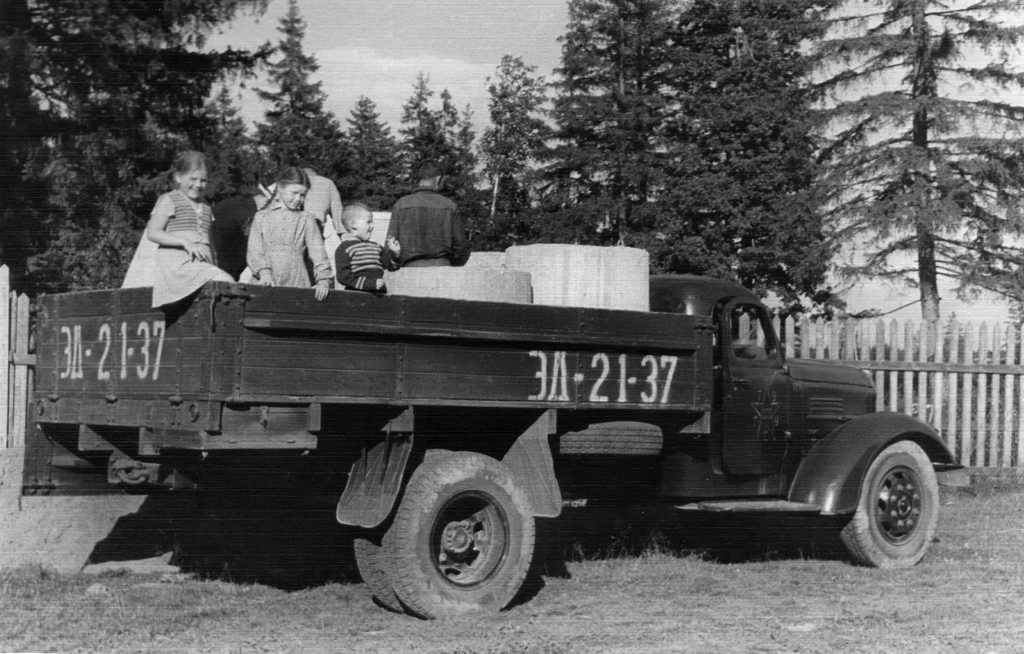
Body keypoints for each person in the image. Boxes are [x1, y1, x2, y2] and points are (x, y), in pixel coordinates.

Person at [147, 151, 233, 308]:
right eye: (193, 179)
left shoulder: (206, 206)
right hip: (178, 265)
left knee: (222, 284)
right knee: (226, 281)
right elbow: (152, 233)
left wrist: (214, 264)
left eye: (203, 180)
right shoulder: (169, 199)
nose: (198, 185)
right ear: (178, 177)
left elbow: (210, 244)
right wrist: (184, 242)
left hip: (201, 266)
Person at [246, 167, 333, 301]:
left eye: (303, 195)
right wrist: (264, 273)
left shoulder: (306, 219)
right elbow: (254, 250)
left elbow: (318, 252)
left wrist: (323, 279)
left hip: (296, 280)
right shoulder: (261, 217)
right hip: (266, 282)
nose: (298, 198)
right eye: (294, 193)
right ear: (280, 188)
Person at [386, 160, 469, 267]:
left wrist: (397, 263)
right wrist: (452, 265)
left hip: (410, 270)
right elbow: (462, 247)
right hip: (442, 268)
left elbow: (390, 245)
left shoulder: (401, 204)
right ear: (438, 179)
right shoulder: (450, 206)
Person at [210, 183, 273, 280]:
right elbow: (252, 244)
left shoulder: (238, 202)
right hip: (222, 263)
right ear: (266, 201)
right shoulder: (249, 214)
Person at [335, 203, 401, 294]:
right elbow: (343, 277)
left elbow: (391, 267)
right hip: (357, 296)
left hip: (379, 295)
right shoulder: (344, 248)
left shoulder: (376, 247)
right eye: (368, 222)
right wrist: (369, 284)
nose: (372, 225)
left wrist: (395, 254)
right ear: (354, 225)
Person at [301, 166, 344, 237]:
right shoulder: (328, 183)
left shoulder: (293, 181)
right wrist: (342, 232)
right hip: (316, 225)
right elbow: (337, 210)